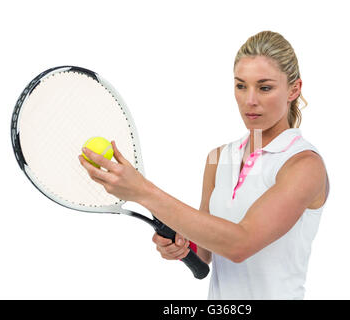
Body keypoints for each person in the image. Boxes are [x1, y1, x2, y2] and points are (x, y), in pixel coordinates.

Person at [78, 30, 329, 300]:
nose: (250, 100)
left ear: (294, 89)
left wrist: (142, 191)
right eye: (241, 85)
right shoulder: (218, 157)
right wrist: (183, 245)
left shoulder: (304, 165)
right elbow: (206, 252)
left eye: (264, 87)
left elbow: (240, 244)